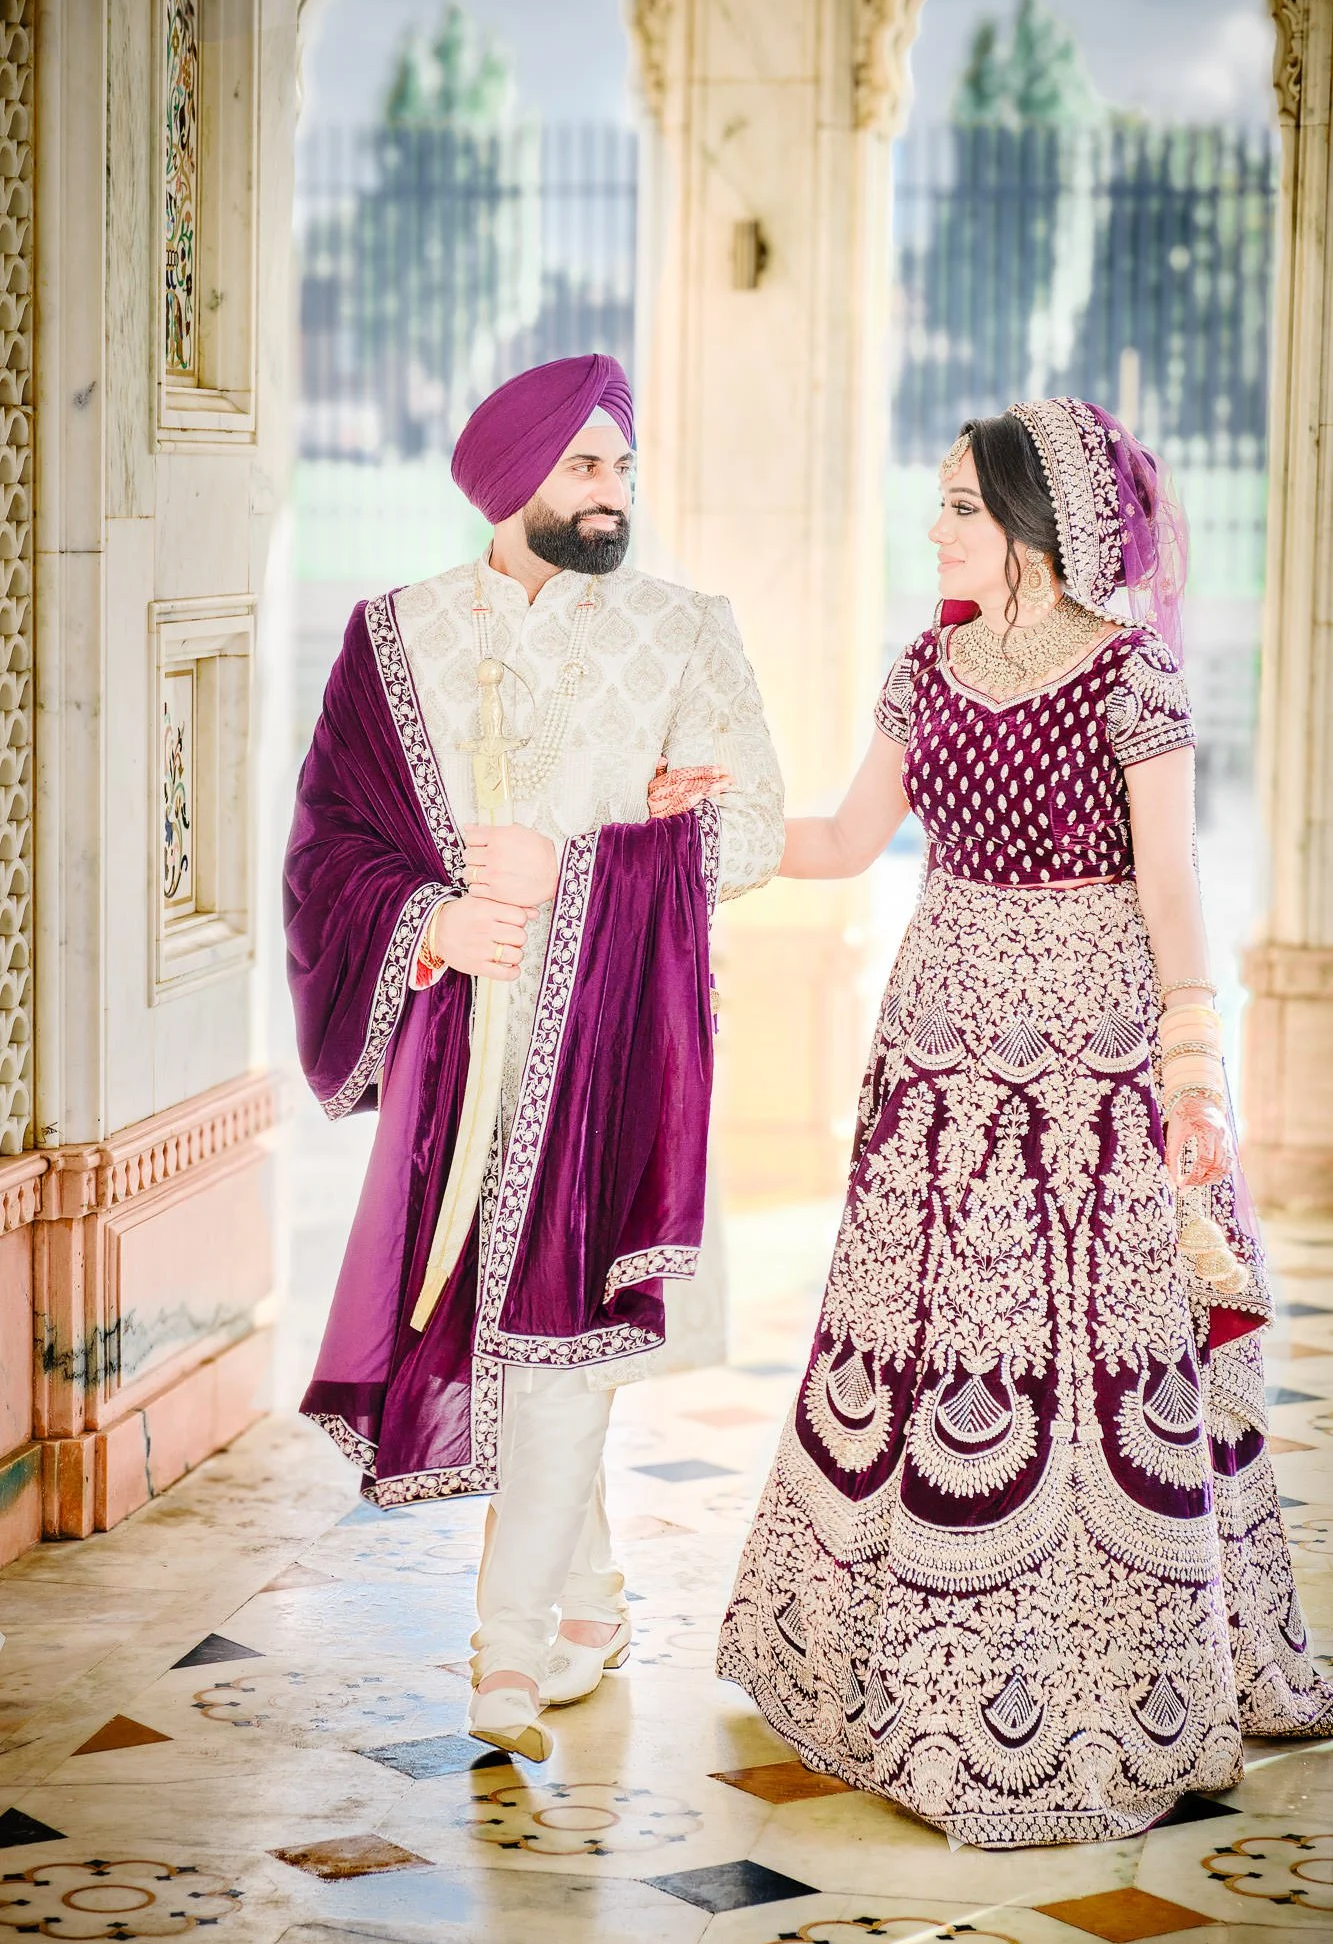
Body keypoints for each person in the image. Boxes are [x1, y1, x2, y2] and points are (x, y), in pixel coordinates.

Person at [716, 397, 1333, 1847]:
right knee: (939, 1353)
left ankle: (1109, 1688)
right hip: (941, 1059)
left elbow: (1173, 895)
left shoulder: (1135, 679)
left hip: (1094, 1067)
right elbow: (848, 841)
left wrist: (1193, 1089)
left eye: (957, 506)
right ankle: (907, 1683)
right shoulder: (923, 668)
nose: (932, 528)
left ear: (1032, 535)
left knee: (1089, 1362)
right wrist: (706, 830)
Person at [286, 354, 783, 1762]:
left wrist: (574, 863)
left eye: (623, 465)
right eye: (586, 467)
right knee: (524, 1336)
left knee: (558, 1341)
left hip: (624, 1041)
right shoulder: (398, 637)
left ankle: (501, 1664)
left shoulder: (687, 631)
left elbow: (743, 837)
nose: (616, 491)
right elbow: (333, 844)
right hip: (465, 1043)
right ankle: (595, 1602)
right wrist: (436, 912)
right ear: (511, 486)